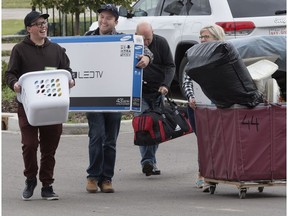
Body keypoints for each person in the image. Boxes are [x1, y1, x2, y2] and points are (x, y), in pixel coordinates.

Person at [5, 10, 75, 200]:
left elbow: (67, 70)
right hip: (28, 107)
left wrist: (71, 80)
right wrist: (15, 84)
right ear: (29, 29)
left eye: (44, 23)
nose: (43, 26)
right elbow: (10, 74)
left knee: (49, 148)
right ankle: (30, 178)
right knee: (29, 145)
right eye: (38, 24)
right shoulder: (20, 49)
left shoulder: (56, 49)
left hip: (52, 105)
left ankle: (47, 184)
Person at [84, 4, 153, 193]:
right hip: (93, 96)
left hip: (116, 97)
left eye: (108, 18)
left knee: (110, 140)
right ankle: (92, 176)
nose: (103, 21)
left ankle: (106, 178)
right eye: (101, 17)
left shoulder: (123, 38)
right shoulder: (87, 37)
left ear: (116, 21)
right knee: (96, 136)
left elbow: (147, 52)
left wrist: (145, 59)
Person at [182, 24, 225, 191]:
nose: (202, 39)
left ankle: (214, 174)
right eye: (201, 36)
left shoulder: (224, 56)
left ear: (217, 38)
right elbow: (186, 80)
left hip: (218, 105)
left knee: (217, 141)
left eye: (206, 36)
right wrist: (190, 97)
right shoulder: (193, 55)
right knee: (204, 141)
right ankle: (204, 173)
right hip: (197, 106)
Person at [135, 22, 175, 177]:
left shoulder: (161, 43)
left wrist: (166, 85)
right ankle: (148, 161)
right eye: (142, 39)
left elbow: (170, 66)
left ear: (153, 32)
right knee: (143, 126)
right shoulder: (133, 44)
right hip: (140, 93)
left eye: (148, 39)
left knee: (155, 126)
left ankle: (149, 161)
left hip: (158, 91)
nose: (145, 42)